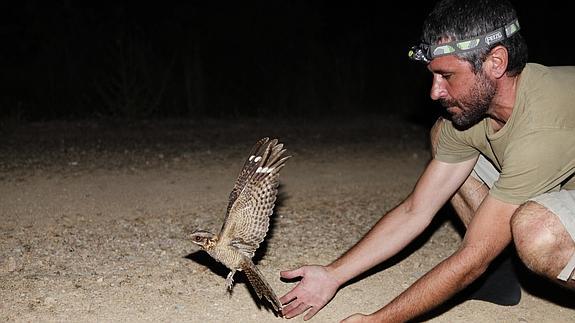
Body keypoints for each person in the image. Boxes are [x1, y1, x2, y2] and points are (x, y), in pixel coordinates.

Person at [279, 0, 575, 321]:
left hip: (549, 145)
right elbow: (415, 210)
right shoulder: (475, 115)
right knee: (442, 134)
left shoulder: (543, 125)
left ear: (496, 62)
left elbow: (471, 258)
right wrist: (333, 274)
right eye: (433, 76)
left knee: (538, 231)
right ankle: (501, 269)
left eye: (446, 75)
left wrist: (379, 320)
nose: (435, 92)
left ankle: (499, 245)